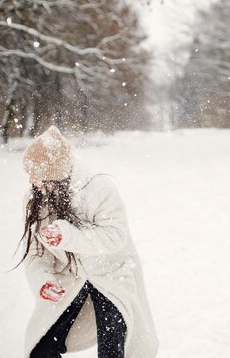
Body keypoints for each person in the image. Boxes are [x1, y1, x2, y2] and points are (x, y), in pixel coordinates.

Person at [18, 126, 158, 358]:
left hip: (112, 274)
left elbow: (115, 236)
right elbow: (35, 253)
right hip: (70, 278)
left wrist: (67, 236)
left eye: (38, 175)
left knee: (113, 351)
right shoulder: (34, 199)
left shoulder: (98, 188)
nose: (33, 181)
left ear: (57, 176)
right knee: (40, 348)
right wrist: (43, 281)